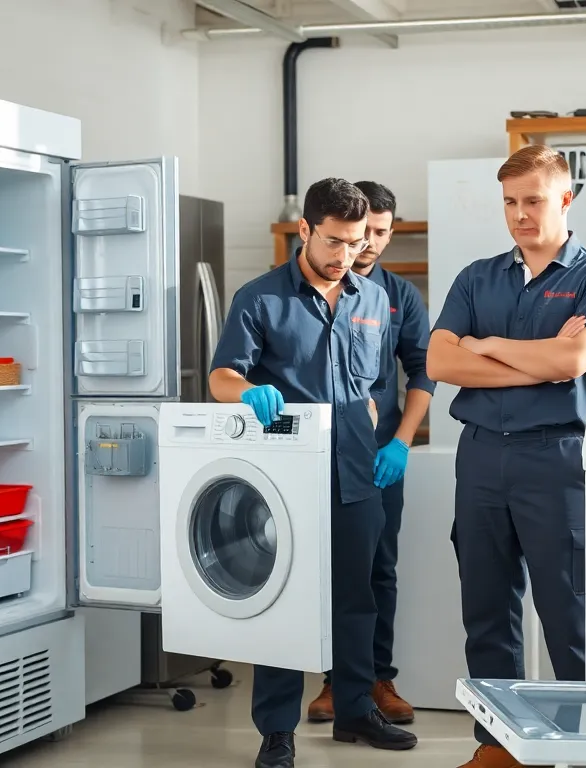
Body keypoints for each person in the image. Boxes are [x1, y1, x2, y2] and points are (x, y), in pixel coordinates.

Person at [426, 144, 586, 768]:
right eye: (510, 202)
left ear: (565, 199)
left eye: (533, 201)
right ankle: (498, 748)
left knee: (571, 615)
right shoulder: (476, 276)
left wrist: (486, 348)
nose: (520, 214)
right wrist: (533, 358)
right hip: (482, 458)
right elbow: (440, 363)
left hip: (559, 460)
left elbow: (573, 362)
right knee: (486, 611)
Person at [208, 178, 418, 768]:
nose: (345, 255)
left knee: (358, 598)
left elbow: (374, 384)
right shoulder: (260, 297)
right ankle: (277, 731)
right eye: (334, 242)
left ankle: (355, 709)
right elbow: (221, 376)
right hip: (282, 479)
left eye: (355, 243)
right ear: (305, 230)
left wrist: (376, 423)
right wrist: (249, 392)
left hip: (358, 470)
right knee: (283, 602)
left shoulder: (373, 299)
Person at [307, 181, 433, 726]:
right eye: (365, 234)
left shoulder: (398, 297)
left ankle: (377, 679)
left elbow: (423, 370)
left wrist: (402, 442)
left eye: (381, 233)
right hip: (315, 454)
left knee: (378, 566)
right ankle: (335, 681)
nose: (370, 245)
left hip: (379, 456)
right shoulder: (312, 288)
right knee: (320, 568)